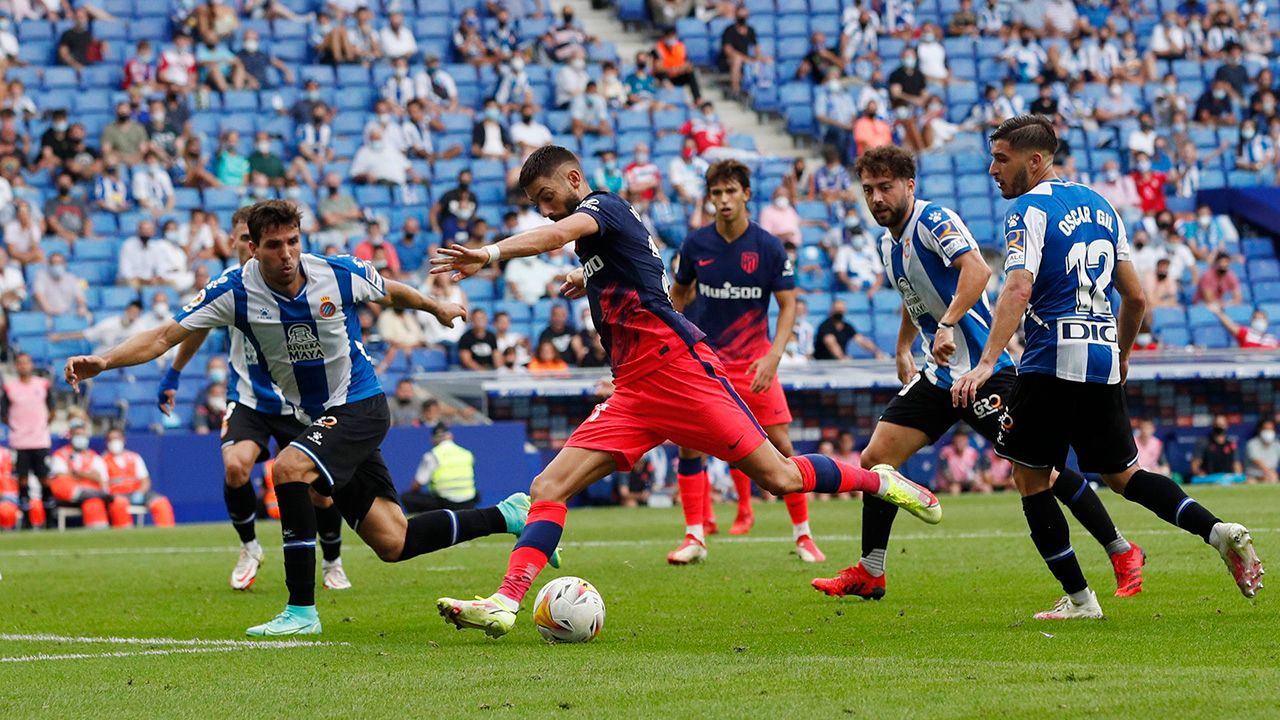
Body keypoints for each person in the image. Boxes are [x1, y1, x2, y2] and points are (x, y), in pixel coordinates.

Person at [429, 145, 940, 637]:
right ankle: (505, 601)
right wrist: (588, 276)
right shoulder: (602, 239)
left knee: (780, 477)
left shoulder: (599, 206)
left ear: (573, 180)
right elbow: (643, 273)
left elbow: (558, 233)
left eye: (544, 197)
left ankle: (883, 483)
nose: (543, 209)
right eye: (536, 204)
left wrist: (490, 252)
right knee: (547, 488)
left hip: (679, 371)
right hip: (633, 389)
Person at [66, 200, 551, 637]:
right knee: (393, 541)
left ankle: (301, 610)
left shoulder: (335, 274)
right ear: (252, 249)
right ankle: (508, 514)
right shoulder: (234, 291)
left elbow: (392, 291)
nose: (287, 254)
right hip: (317, 416)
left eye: (293, 242)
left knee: (289, 469)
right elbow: (163, 336)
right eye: (274, 245)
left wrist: (437, 306)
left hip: (360, 405)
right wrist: (104, 362)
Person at [951, 115, 1263, 620]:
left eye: (1001, 159)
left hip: (1050, 358)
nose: (992, 169)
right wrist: (1119, 356)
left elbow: (1017, 287)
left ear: (1036, 161)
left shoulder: (1028, 211)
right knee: (1125, 476)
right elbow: (1136, 297)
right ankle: (1216, 530)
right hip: (1100, 358)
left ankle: (1080, 601)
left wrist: (987, 362)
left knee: (1030, 479)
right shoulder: (1101, 205)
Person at [815, 145, 1141, 601]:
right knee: (876, 460)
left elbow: (976, 270)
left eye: (885, 187)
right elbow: (918, 297)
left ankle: (1121, 549)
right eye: (868, 189)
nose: (876, 198)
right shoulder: (889, 242)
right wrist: (904, 345)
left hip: (985, 373)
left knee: (1040, 471)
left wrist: (948, 324)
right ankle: (872, 570)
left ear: (909, 185)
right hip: (941, 375)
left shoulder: (933, 221)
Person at [156, 207, 352, 592]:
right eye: (250, 237)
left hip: (301, 402)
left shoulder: (300, 278)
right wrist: (173, 373)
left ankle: (333, 560)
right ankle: (249, 547)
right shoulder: (229, 288)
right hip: (250, 399)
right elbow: (194, 327)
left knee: (319, 491)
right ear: (239, 242)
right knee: (235, 466)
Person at [666, 159, 825, 564]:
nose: (723, 200)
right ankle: (694, 537)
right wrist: (674, 341)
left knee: (783, 447)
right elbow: (678, 297)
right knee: (688, 447)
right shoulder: (695, 245)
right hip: (706, 365)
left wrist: (775, 355)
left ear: (746, 194)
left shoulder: (768, 247)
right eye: (716, 193)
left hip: (756, 365)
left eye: (730, 191)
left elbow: (789, 305)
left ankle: (804, 536)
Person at [48, 419, 132, 529]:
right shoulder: (60, 455)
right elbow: (61, 477)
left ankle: (114, 536)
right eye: (77, 434)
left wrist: (77, 474)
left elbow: (101, 479)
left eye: (82, 434)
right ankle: (84, 493)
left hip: (93, 495)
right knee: (60, 482)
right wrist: (88, 476)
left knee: (97, 502)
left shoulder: (95, 457)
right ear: (71, 435)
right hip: (69, 497)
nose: (80, 437)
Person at [1, 353, 53, 528]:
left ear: (31, 364)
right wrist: (18, 427)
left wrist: (40, 426)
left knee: (44, 479)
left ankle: (49, 519)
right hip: (20, 442)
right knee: (22, 480)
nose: (23, 366)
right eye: (20, 363)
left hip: (40, 440)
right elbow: (4, 414)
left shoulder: (43, 385)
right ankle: (26, 520)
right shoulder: (9, 388)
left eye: (26, 363)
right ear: (16, 366)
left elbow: (51, 410)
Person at [101, 428, 175, 527]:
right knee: (119, 504)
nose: (115, 442)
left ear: (123, 440)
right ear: (107, 442)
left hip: (137, 492)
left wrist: (140, 492)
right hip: (117, 495)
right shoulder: (102, 460)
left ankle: (167, 533)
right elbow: (102, 484)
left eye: (117, 438)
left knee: (161, 503)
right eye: (111, 439)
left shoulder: (134, 457)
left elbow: (145, 480)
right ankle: (125, 535)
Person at [402, 423, 478, 512]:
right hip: (469, 501)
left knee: (407, 497)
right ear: (451, 436)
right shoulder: (466, 453)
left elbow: (418, 483)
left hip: (445, 503)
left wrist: (411, 491)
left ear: (433, 439)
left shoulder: (432, 455)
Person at [813, 298, 885, 360]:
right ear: (832, 310)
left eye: (841, 310)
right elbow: (831, 342)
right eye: (837, 310)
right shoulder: (825, 326)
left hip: (838, 363)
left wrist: (876, 352)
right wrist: (841, 357)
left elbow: (861, 340)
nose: (839, 312)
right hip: (823, 362)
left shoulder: (847, 326)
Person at [1191, 415, 1244, 484]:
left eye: (1222, 425)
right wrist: (1199, 473)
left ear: (1226, 426)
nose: (1220, 427)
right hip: (1209, 478)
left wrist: (1237, 476)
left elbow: (1237, 465)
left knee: (1242, 478)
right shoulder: (1204, 443)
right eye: (1217, 425)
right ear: (1213, 426)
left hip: (1228, 478)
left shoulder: (1231, 445)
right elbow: (1195, 465)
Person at [1207, 304, 1279, 349]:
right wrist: (1219, 313)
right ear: (1251, 321)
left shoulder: (1273, 340)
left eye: (1262, 319)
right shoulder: (1246, 333)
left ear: (1267, 321)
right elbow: (1230, 325)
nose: (1259, 321)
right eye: (1256, 318)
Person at [1245, 419, 1280, 484]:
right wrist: (1269, 473)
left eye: (1270, 429)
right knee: (1251, 482)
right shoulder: (1252, 443)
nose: (1268, 432)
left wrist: (1272, 475)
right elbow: (1256, 461)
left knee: (1273, 480)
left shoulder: (1277, 444)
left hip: (1271, 476)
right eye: (1266, 429)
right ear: (1260, 430)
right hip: (1254, 476)